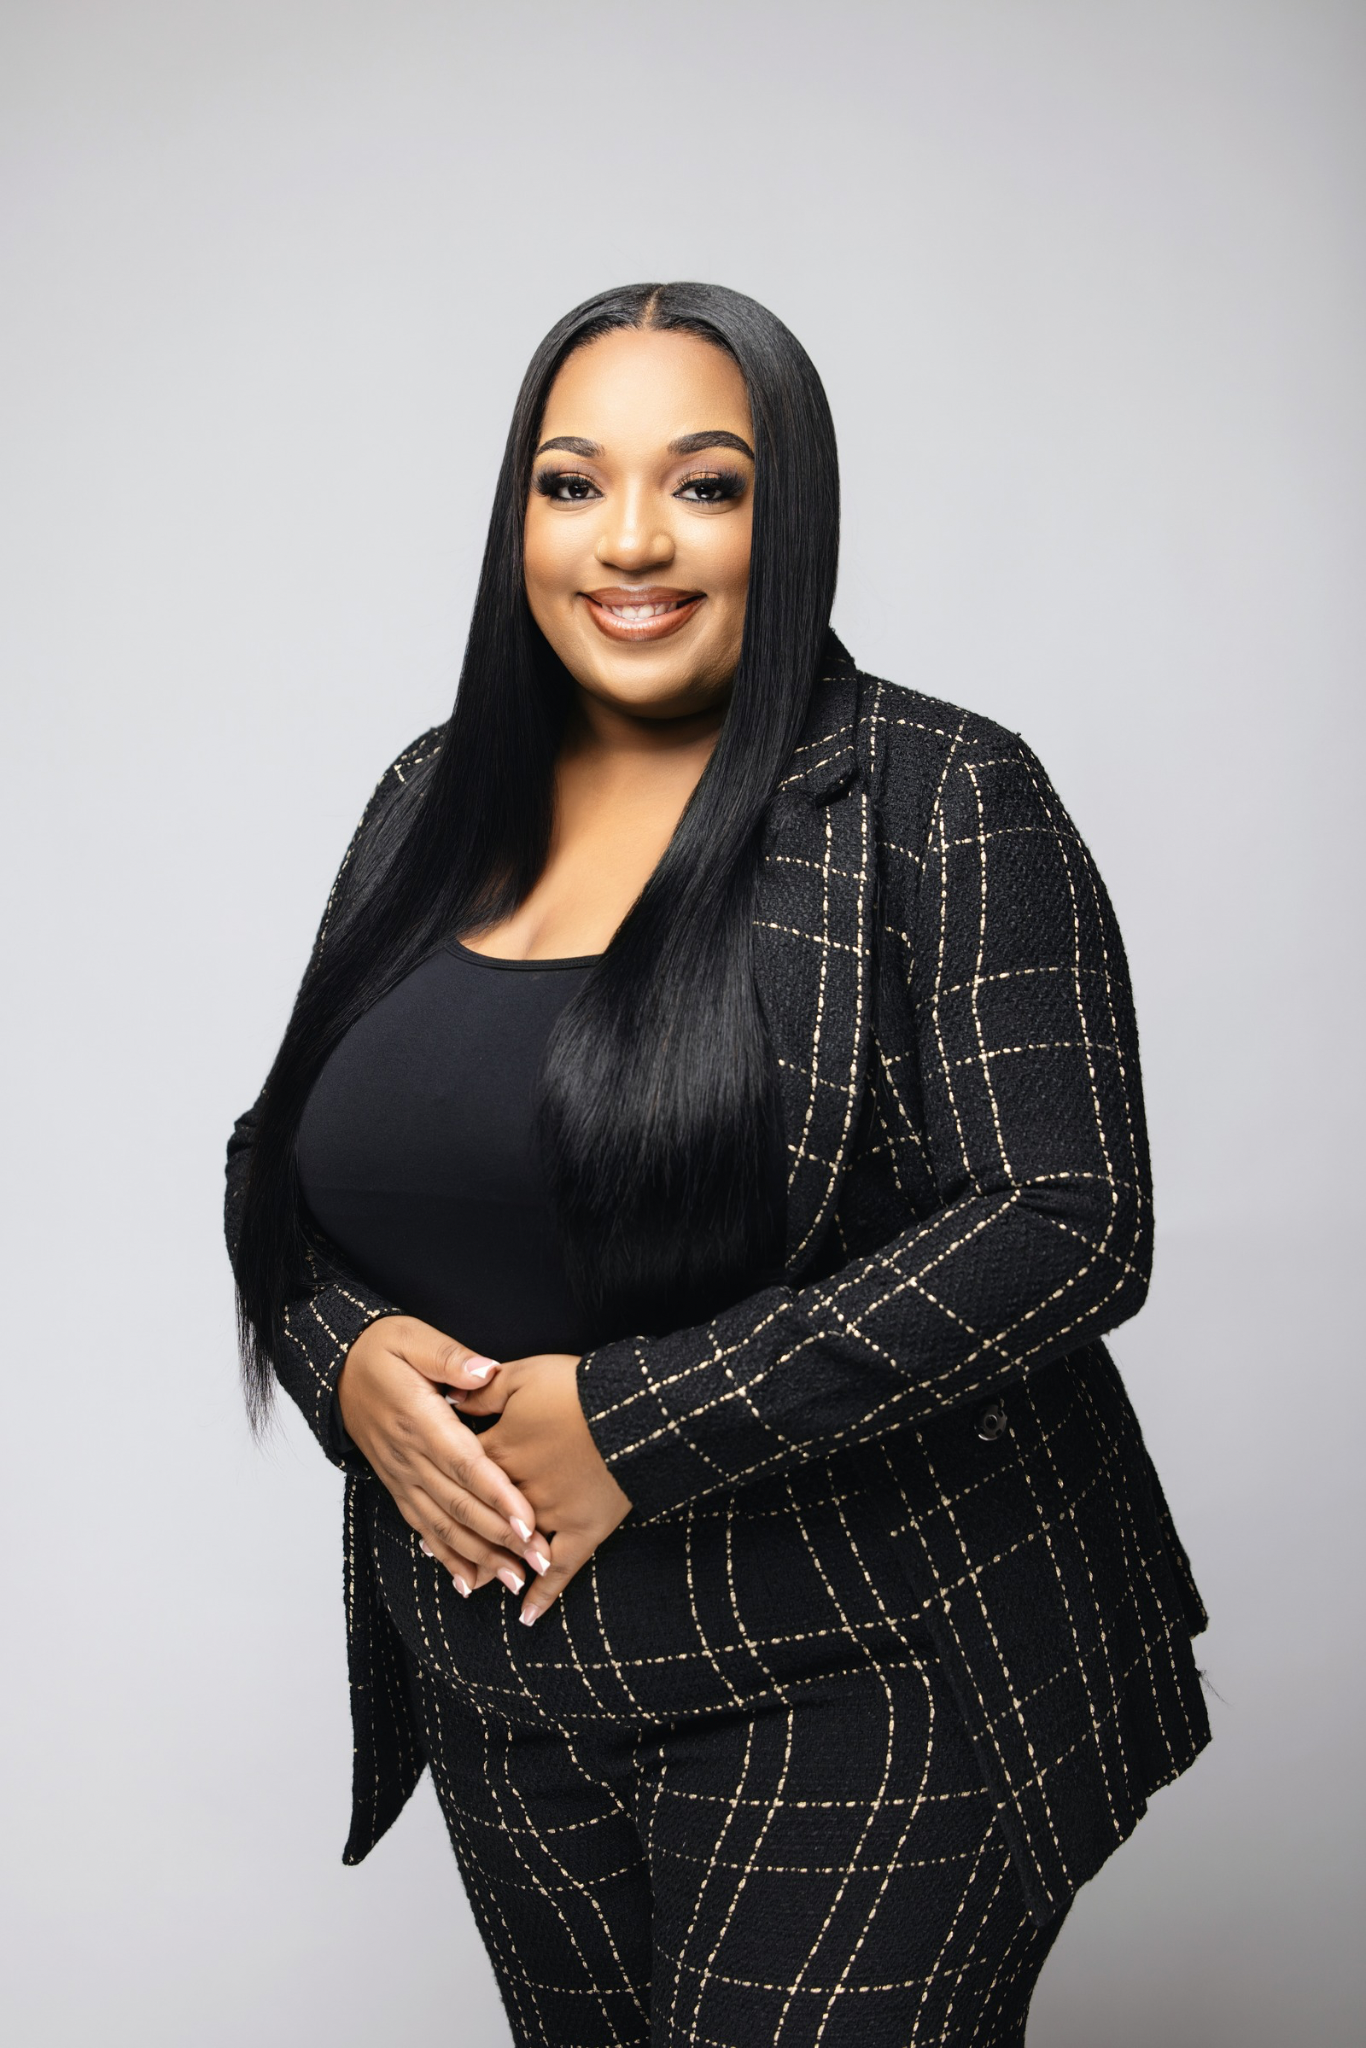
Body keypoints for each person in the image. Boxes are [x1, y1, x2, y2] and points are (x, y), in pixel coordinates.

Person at [225, 282, 1209, 2047]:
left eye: (703, 485)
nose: (629, 543)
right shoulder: (429, 793)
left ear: (789, 513)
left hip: (864, 1651)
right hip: (501, 1666)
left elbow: (1065, 1224)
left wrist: (628, 1421)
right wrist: (344, 1364)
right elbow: (279, 1161)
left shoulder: (938, 794)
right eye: (569, 483)